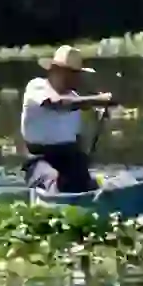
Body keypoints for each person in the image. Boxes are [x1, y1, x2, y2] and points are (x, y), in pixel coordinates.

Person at [20, 45, 116, 194]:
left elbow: (78, 136)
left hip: (69, 157)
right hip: (39, 160)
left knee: (84, 180)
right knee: (54, 180)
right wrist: (97, 100)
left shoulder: (74, 97)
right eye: (70, 73)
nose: (75, 78)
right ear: (55, 70)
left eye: (76, 74)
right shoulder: (37, 87)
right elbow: (56, 104)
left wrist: (100, 114)